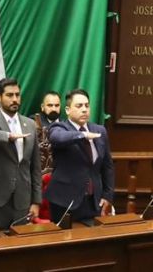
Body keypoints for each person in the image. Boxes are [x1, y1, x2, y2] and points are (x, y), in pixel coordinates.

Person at [0, 78, 42, 232]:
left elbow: (35, 166)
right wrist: (7, 136)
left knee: (20, 243)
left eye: (17, 95)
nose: (15, 99)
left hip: (22, 199)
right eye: (10, 95)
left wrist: (36, 201)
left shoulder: (30, 124)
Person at [45, 89, 114, 225]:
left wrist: (107, 196)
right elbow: (57, 138)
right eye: (79, 106)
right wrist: (82, 135)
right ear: (67, 110)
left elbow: (108, 167)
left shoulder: (99, 130)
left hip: (93, 201)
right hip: (64, 201)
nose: (84, 110)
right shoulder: (59, 127)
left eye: (87, 106)